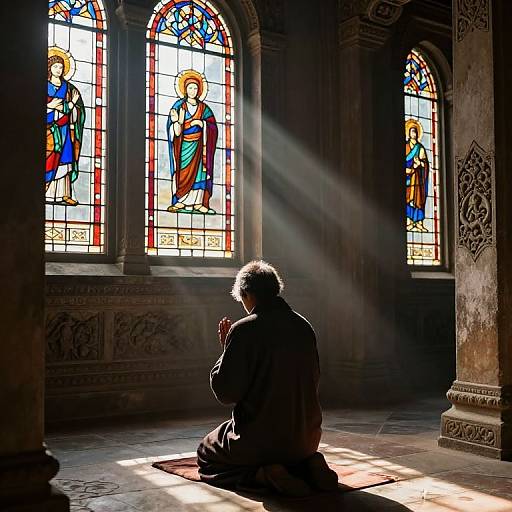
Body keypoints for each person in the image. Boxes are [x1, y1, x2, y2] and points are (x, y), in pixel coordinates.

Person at [197, 260, 338, 497]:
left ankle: (262, 475)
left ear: (247, 293)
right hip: (307, 439)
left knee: (206, 452)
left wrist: (225, 353)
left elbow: (226, 393)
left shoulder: (243, 329)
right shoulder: (303, 325)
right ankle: (309, 465)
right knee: (291, 449)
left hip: (261, 442)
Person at [166, 69, 218, 214]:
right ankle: (181, 201)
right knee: (183, 173)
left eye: (195, 88)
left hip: (201, 147)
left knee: (200, 174)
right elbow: (174, 132)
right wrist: (178, 121)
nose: (193, 90)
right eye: (190, 88)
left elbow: (213, 128)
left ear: (199, 90)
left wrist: (203, 124)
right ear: (185, 89)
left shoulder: (204, 109)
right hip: (184, 146)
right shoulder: (179, 107)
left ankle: (198, 203)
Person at [46, 47, 85, 206]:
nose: (59, 69)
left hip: (64, 130)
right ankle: (47, 192)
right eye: (55, 66)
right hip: (49, 130)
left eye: (61, 67)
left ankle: (64, 194)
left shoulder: (69, 89)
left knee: (66, 160)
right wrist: (52, 106)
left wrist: (72, 105)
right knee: (49, 159)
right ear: (49, 68)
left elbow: (77, 111)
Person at [405, 118, 430, 233]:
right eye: (411, 132)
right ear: (408, 133)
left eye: (415, 132)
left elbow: (425, 164)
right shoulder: (405, 147)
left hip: (419, 180)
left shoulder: (420, 148)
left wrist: (419, 163)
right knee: (408, 199)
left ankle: (419, 223)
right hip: (409, 179)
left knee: (419, 201)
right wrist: (408, 170)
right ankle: (410, 222)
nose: (413, 134)